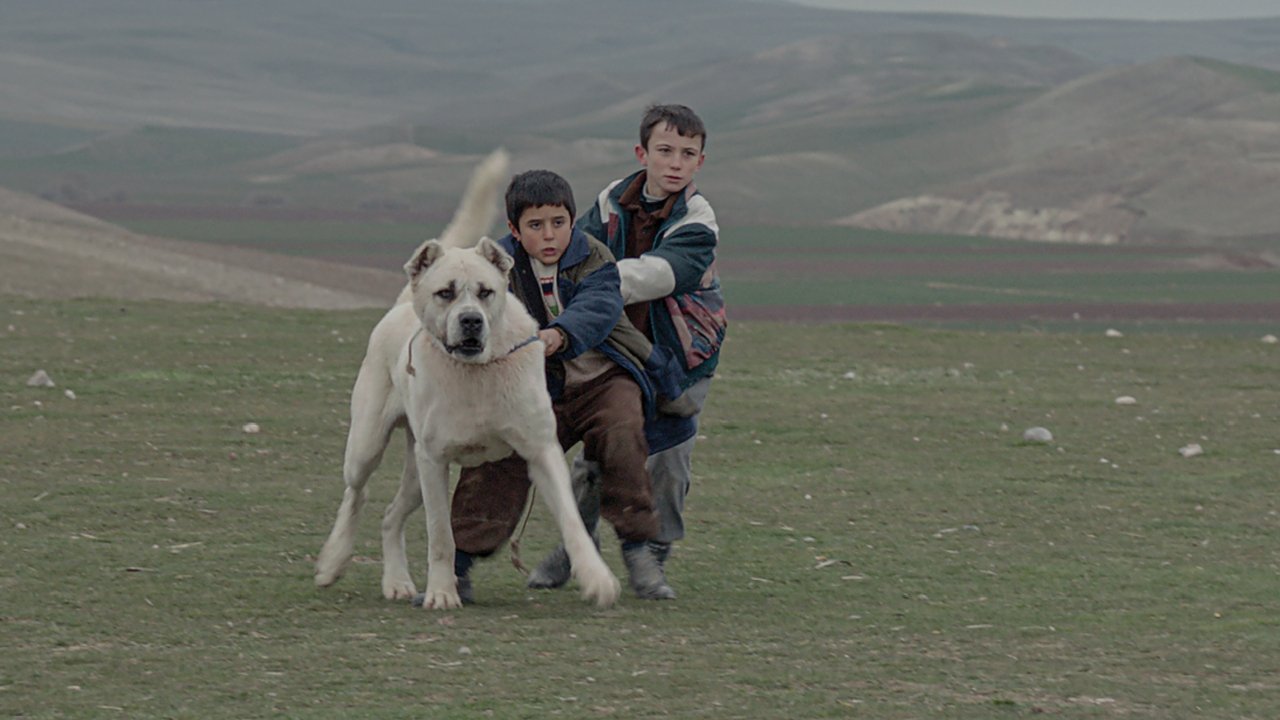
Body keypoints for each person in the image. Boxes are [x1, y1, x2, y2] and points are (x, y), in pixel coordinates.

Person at [420, 169, 694, 606]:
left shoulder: (593, 256)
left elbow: (599, 306)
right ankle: (458, 565)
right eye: (535, 225)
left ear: (571, 220)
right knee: (498, 455)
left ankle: (638, 549)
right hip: (534, 387)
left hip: (602, 379)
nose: (549, 234)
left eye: (558, 222)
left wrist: (560, 334)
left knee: (623, 432)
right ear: (514, 230)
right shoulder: (494, 266)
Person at [525, 103, 725, 599]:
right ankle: (576, 547)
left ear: (701, 161)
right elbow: (571, 248)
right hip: (616, 349)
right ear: (642, 153)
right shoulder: (611, 201)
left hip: (681, 352)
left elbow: (661, 273)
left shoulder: (699, 221)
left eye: (687, 154)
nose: (675, 162)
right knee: (597, 451)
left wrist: (593, 288)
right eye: (665, 150)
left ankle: (654, 553)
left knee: (669, 457)